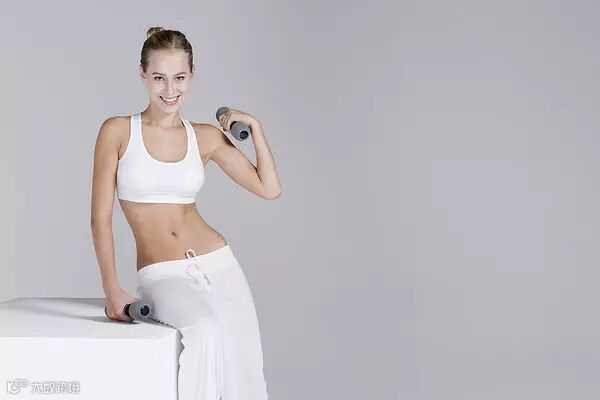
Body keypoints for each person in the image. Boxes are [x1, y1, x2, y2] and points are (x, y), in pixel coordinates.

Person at [90, 26, 281, 400]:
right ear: (143, 74)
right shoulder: (117, 131)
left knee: (246, 373)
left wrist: (256, 128)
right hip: (163, 272)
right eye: (159, 78)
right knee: (204, 333)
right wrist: (111, 288)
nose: (169, 89)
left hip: (220, 265)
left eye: (179, 77)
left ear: (192, 74)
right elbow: (100, 217)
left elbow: (269, 188)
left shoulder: (205, 136)